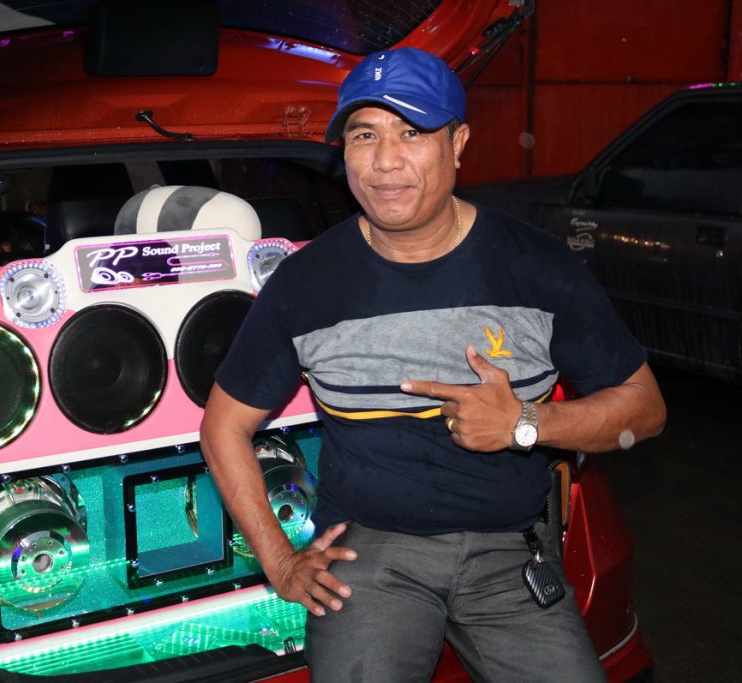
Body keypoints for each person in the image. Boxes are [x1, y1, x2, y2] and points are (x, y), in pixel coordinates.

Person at [199, 47, 666, 682]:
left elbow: (645, 408)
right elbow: (223, 426)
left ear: (458, 143)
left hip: (509, 551)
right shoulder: (304, 284)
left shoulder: (538, 267)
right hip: (369, 555)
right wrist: (279, 562)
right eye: (365, 135)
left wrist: (525, 422)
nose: (385, 161)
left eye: (412, 132)